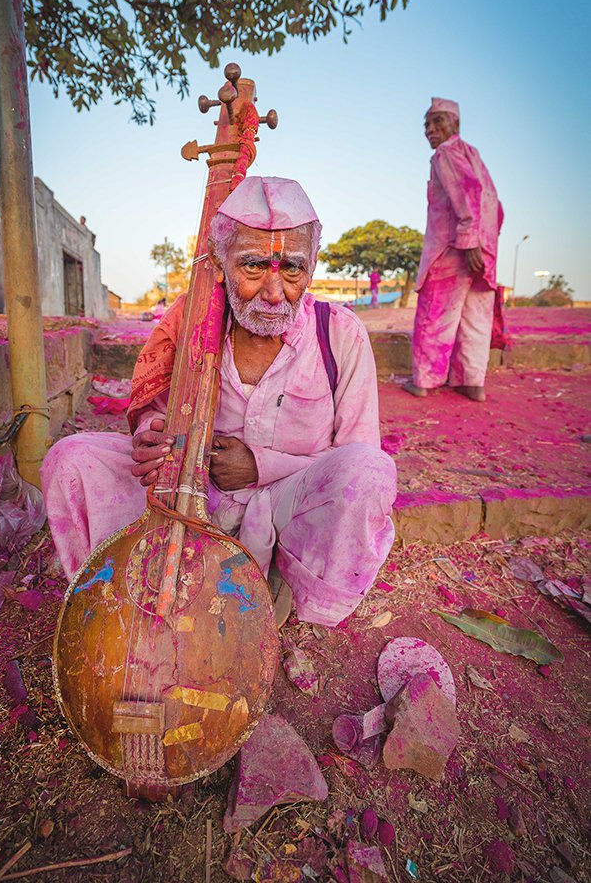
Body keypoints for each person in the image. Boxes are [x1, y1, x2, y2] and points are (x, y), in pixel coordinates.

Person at [42, 176, 397, 628]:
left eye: (292, 269)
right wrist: (153, 436)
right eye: (253, 266)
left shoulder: (340, 334)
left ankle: (292, 596)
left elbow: (355, 454)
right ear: (221, 261)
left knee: (370, 472)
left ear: (311, 267)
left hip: (285, 506)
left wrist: (259, 466)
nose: (274, 292)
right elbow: (155, 412)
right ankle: (111, 600)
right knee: (71, 459)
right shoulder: (191, 320)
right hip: (193, 492)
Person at [404, 98, 504, 403]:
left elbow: (466, 193)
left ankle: (424, 381)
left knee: (435, 315)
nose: (430, 130)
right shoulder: (472, 154)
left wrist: (468, 239)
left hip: (452, 249)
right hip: (484, 251)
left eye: (437, 122)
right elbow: (495, 206)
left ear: (455, 125)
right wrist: (484, 244)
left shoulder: (445, 153)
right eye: (426, 124)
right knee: (476, 318)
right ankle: (472, 383)